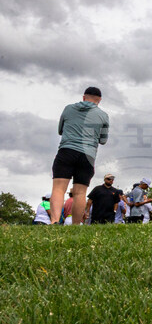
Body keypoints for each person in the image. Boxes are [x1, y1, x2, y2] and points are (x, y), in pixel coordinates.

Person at [48, 87, 110, 225]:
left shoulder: (68, 109)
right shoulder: (103, 116)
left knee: (58, 188)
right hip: (87, 156)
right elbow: (103, 140)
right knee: (80, 193)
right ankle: (76, 225)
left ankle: (54, 221)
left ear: (83, 97)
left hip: (66, 150)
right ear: (99, 100)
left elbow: (60, 130)